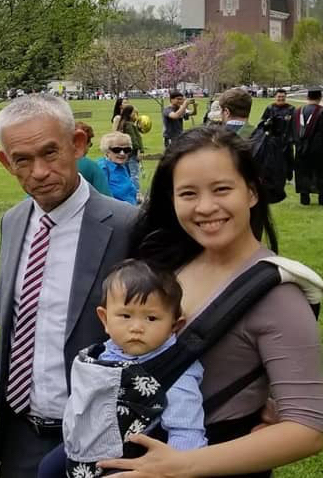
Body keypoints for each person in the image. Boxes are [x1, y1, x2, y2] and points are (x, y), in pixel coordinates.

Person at [104, 126, 323, 476]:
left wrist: (181, 464)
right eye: (188, 193)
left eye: (222, 189)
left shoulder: (278, 295)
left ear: (251, 192)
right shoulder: (170, 264)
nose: (206, 207)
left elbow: (308, 427)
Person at [0, 94, 137, 477]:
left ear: (78, 145)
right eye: (22, 159)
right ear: (7, 163)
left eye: (50, 153)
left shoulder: (127, 226)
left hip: (100, 436)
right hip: (20, 434)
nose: (39, 171)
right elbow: (10, 299)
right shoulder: (14, 220)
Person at [37, 260, 206, 478]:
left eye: (151, 318)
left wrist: (174, 469)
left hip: (129, 457)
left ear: (175, 326)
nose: (136, 327)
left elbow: (186, 432)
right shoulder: (105, 352)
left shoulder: (175, 371)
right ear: (105, 319)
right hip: (87, 444)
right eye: (125, 316)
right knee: (48, 469)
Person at [294, 88, 323, 206]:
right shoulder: (321, 112)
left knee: (302, 173)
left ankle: (304, 198)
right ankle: (322, 199)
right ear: (320, 98)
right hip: (319, 149)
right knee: (320, 173)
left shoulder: (297, 112)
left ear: (307, 97)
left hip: (301, 148)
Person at [98, 131, 139, 205]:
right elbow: (101, 198)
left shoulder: (123, 166)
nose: (122, 153)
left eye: (126, 150)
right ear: (107, 151)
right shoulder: (102, 168)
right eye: (117, 150)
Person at [75, 121, 111, 197]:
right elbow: (105, 198)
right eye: (90, 145)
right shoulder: (91, 167)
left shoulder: (50, 163)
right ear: (82, 142)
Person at [114, 104, 144, 190]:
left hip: (126, 153)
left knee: (126, 173)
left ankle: (127, 190)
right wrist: (139, 151)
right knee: (134, 174)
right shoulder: (129, 125)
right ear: (129, 114)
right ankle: (136, 192)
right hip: (133, 153)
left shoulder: (123, 124)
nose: (136, 116)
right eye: (134, 113)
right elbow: (133, 139)